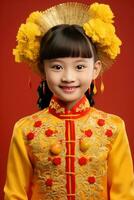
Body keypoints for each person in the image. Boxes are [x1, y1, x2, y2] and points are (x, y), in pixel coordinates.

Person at [4, 2, 134, 200]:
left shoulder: (112, 128)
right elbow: (14, 195)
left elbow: (125, 194)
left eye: (80, 67)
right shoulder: (25, 130)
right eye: (57, 67)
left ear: (95, 69)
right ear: (42, 69)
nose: (68, 77)